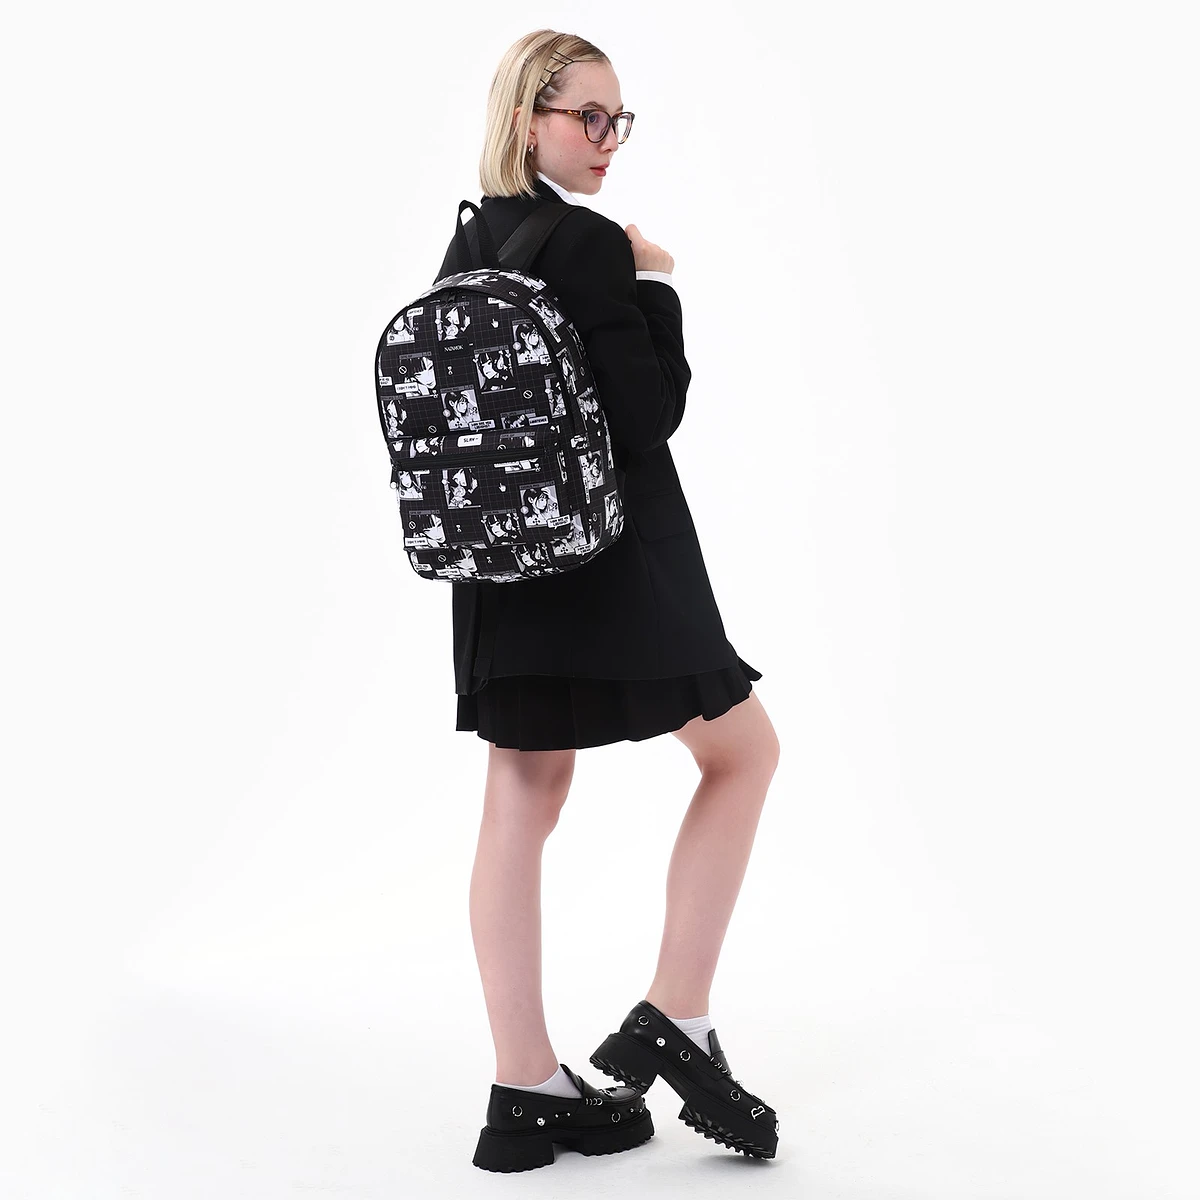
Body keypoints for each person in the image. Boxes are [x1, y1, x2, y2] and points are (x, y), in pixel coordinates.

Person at [435, 31, 783, 1172]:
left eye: (618, 119)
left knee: (520, 794)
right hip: (609, 566)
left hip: (501, 571)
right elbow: (649, 415)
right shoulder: (590, 245)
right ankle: (677, 1015)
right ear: (528, 119)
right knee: (744, 753)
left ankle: (523, 1087)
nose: (608, 139)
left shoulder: (469, 239)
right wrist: (655, 282)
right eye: (589, 116)